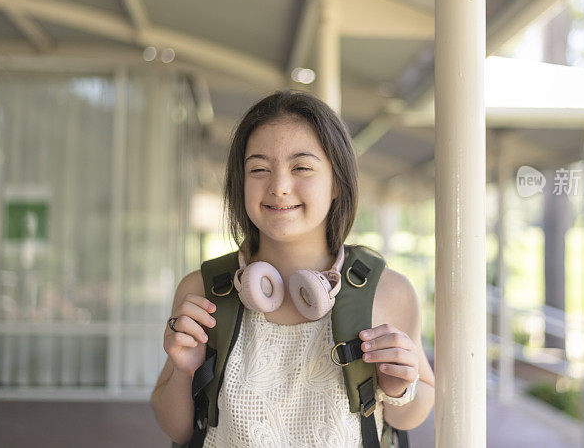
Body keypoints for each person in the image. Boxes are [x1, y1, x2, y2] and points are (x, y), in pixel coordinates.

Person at [151, 91, 435, 447]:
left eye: (301, 167)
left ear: (337, 182)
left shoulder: (388, 292)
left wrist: (398, 386)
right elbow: (177, 430)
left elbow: (408, 414)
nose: (279, 187)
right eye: (259, 169)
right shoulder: (202, 291)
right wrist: (183, 370)